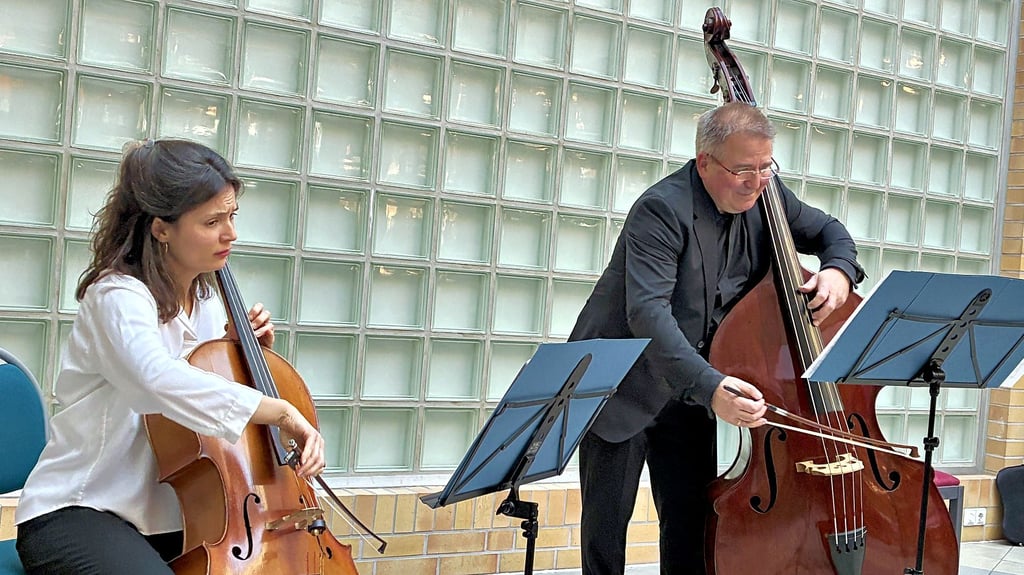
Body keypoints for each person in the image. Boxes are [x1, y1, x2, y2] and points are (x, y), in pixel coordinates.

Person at [570, 102, 865, 575]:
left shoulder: (769, 196)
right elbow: (647, 313)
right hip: (625, 385)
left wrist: (838, 272)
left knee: (690, 524)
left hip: (692, 389)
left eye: (766, 167)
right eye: (742, 170)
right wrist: (711, 387)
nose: (756, 182)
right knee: (606, 534)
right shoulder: (661, 209)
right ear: (705, 161)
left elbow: (831, 232)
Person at [14, 139, 327, 574]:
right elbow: (155, 380)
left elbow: (211, 424)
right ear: (161, 228)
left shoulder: (208, 304)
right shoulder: (117, 297)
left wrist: (243, 357)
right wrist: (278, 410)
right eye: (212, 221)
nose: (230, 233)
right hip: (83, 510)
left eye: (232, 216)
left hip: (179, 517)